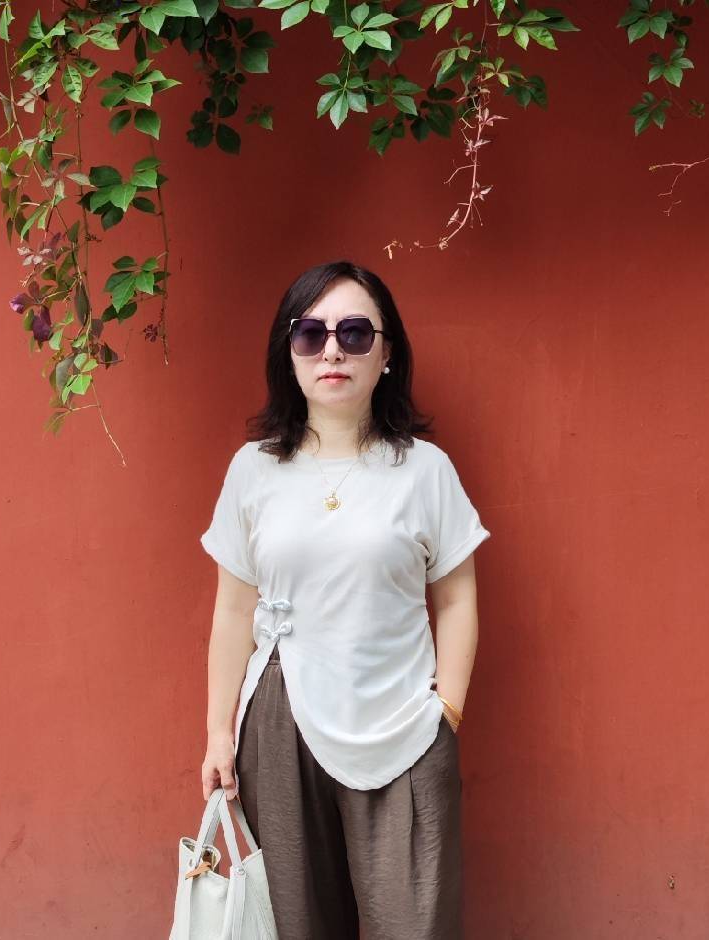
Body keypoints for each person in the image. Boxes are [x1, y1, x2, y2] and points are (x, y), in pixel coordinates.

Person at [198, 260, 491, 940]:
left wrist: (446, 710)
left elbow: (457, 599)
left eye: (355, 333)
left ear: (386, 354)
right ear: (290, 353)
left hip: (404, 722)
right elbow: (233, 611)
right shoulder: (253, 470)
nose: (332, 350)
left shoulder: (424, 470)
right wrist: (218, 732)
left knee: (415, 922)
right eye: (312, 334)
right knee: (296, 921)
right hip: (280, 718)